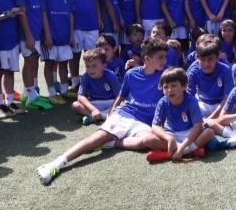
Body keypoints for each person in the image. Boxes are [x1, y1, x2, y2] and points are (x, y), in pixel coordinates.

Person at [36, 39, 170, 184]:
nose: (165, 60)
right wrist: (112, 113)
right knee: (97, 138)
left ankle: (113, 143)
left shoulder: (165, 75)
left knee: (147, 142)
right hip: (125, 114)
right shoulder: (131, 74)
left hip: (144, 122)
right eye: (160, 57)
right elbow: (121, 95)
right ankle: (56, 164)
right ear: (147, 59)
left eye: (165, 56)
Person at [140, 67, 223, 163]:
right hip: (172, 134)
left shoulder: (191, 101)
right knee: (147, 139)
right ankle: (192, 151)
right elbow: (155, 126)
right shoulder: (162, 102)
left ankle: (179, 152)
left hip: (190, 133)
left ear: (184, 86)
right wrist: (169, 138)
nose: (169, 90)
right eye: (166, 87)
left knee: (209, 133)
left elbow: (198, 126)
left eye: (173, 86)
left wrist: (182, 147)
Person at [186, 38, 235, 119]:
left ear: (217, 57)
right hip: (203, 103)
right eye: (203, 59)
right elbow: (189, 96)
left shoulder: (225, 70)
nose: (206, 63)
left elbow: (228, 97)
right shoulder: (193, 72)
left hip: (222, 103)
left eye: (210, 59)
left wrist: (211, 118)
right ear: (197, 58)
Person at [73, 47, 121, 124]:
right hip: (94, 103)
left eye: (94, 66)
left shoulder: (110, 75)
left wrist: (112, 109)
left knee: (123, 105)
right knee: (75, 105)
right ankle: (101, 116)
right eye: (88, 66)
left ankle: (97, 117)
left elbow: (119, 95)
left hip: (110, 102)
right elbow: (80, 96)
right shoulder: (85, 77)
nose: (91, 70)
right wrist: (93, 110)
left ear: (104, 66)